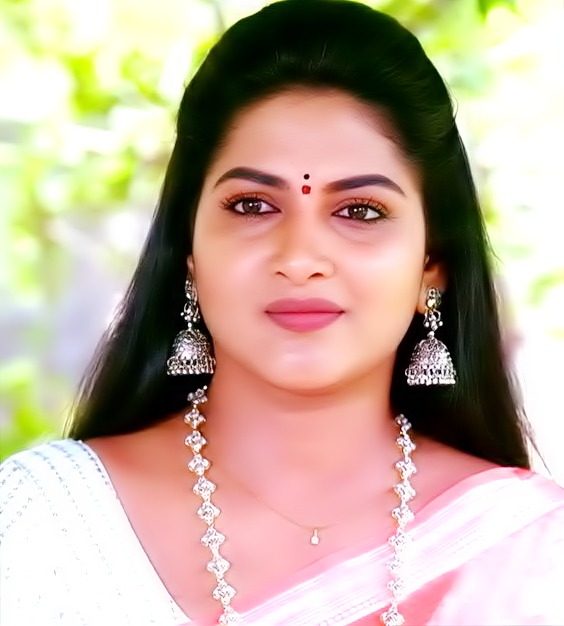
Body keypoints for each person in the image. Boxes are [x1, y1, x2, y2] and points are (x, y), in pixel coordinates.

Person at [1, 1, 562, 624]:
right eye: (252, 206)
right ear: (189, 254)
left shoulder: (533, 552)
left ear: (432, 265)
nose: (299, 259)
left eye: (360, 212)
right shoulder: (44, 524)